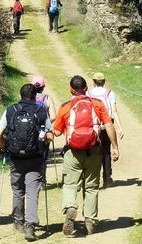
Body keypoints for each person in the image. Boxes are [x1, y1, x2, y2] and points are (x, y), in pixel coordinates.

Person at [52, 75, 119, 236]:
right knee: (91, 187)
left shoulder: (65, 107)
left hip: (73, 152)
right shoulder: (97, 105)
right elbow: (109, 125)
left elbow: (57, 131)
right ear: (86, 89)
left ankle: (71, 207)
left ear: (71, 89)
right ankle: (90, 221)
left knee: (69, 184)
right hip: (94, 151)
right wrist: (115, 147)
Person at [0, 83, 53, 241]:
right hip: (35, 157)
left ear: (20, 95)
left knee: (18, 190)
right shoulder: (41, 111)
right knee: (32, 191)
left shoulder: (11, 110)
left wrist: (5, 146)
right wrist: (43, 144)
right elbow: (50, 136)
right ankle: (30, 226)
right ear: (35, 97)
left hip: (16, 157)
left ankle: (18, 221)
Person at [88, 72, 125, 188]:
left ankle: (93, 178)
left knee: (93, 152)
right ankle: (107, 178)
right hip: (106, 125)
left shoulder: (88, 93)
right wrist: (119, 127)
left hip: (92, 126)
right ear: (104, 82)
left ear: (93, 81)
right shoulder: (109, 93)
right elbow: (114, 111)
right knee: (106, 151)